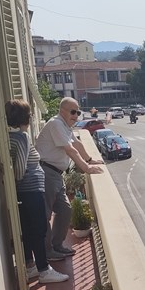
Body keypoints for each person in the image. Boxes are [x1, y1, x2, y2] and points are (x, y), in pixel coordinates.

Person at [6, 100, 69, 284]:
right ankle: (44, 270)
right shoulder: (22, 137)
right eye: (30, 114)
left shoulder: (10, 136)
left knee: (28, 230)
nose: (32, 116)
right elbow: (20, 167)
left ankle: (30, 266)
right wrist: (20, 180)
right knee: (39, 229)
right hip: (31, 190)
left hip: (25, 191)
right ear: (25, 117)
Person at [35, 97, 104, 261]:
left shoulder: (65, 126)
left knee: (65, 210)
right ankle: (47, 252)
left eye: (78, 112)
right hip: (47, 172)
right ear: (62, 111)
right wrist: (86, 169)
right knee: (45, 215)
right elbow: (70, 150)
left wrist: (89, 160)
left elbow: (77, 144)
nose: (76, 116)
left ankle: (57, 245)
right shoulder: (56, 124)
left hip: (56, 174)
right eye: (73, 112)